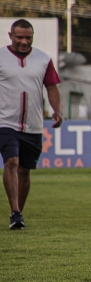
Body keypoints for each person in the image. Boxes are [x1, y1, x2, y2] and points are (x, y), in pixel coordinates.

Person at [1, 19, 62, 230]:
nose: (24, 41)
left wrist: (56, 111)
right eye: (20, 37)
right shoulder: (1, 57)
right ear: (10, 36)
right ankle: (15, 212)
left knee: (25, 170)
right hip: (5, 121)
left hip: (33, 124)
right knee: (11, 162)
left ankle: (17, 214)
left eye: (28, 37)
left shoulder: (43, 59)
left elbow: (52, 87)